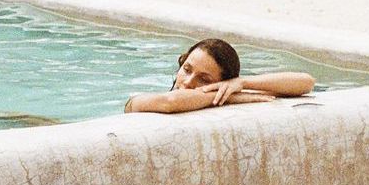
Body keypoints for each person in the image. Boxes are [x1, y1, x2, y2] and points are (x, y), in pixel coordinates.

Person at [124, 38, 315, 114]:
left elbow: (305, 82)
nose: (188, 82)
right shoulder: (146, 99)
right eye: (187, 69)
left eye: (204, 79)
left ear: (223, 84)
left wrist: (242, 82)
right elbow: (170, 102)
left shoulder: (231, 92)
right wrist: (229, 98)